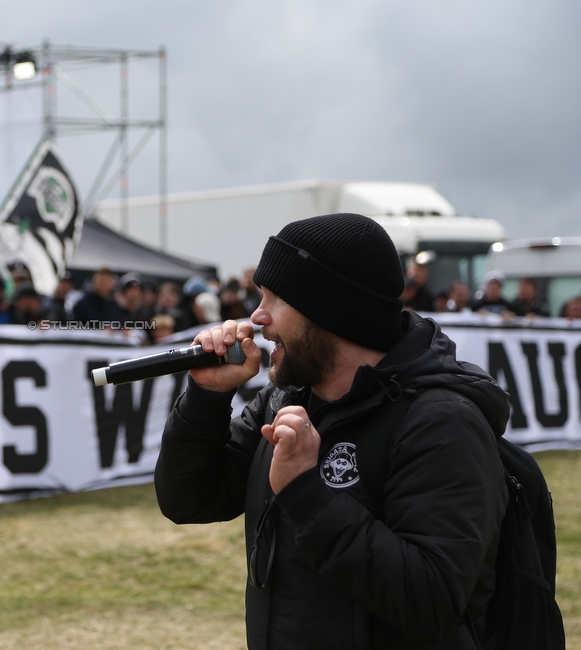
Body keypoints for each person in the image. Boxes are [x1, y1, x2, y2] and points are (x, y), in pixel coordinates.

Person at [154, 213, 508, 649]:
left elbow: (431, 602)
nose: (257, 318)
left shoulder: (442, 421)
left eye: (274, 298)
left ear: (330, 310)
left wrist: (307, 492)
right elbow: (187, 499)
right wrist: (205, 398)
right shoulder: (285, 399)